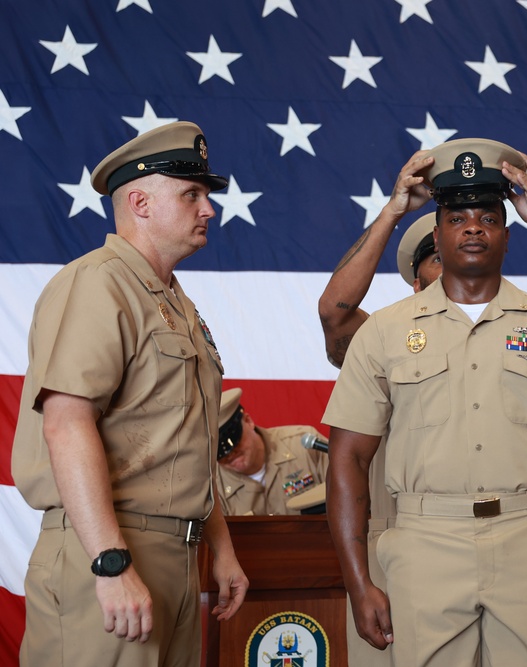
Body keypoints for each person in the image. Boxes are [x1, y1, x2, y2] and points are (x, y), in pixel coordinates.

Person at [322, 137, 527, 667]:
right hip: (423, 541)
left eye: (488, 216)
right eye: (457, 218)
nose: (474, 227)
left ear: (508, 234)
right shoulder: (385, 333)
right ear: (437, 235)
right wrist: (357, 581)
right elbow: (347, 457)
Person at [11, 121, 248, 666]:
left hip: (176, 555)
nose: (208, 208)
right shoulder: (99, 283)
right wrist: (110, 563)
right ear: (139, 202)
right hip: (111, 548)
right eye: (191, 194)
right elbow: (66, 424)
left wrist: (223, 549)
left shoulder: (176, 302)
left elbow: (189, 441)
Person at [214, 387, 327, 516]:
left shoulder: (305, 447)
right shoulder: (212, 487)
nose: (230, 454)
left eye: (234, 442)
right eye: (220, 452)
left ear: (248, 421)